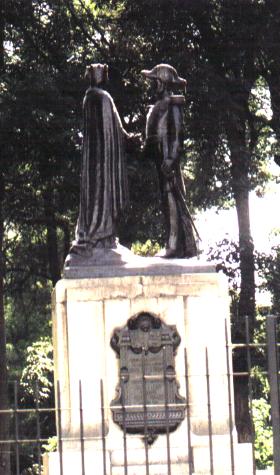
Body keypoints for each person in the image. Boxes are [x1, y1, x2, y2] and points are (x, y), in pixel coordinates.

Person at [70, 63, 129, 257]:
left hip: (95, 160)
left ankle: (101, 235)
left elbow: (115, 126)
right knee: (102, 191)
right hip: (103, 160)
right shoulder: (102, 98)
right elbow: (114, 129)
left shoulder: (89, 97)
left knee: (96, 192)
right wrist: (129, 138)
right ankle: (101, 235)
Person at [142, 63, 199, 258]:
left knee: (172, 198)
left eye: (154, 81)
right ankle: (173, 243)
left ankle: (174, 244)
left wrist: (171, 158)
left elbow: (177, 137)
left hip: (168, 162)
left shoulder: (173, 106)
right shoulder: (159, 106)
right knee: (166, 201)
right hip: (160, 160)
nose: (151, 85)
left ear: (161, 82)